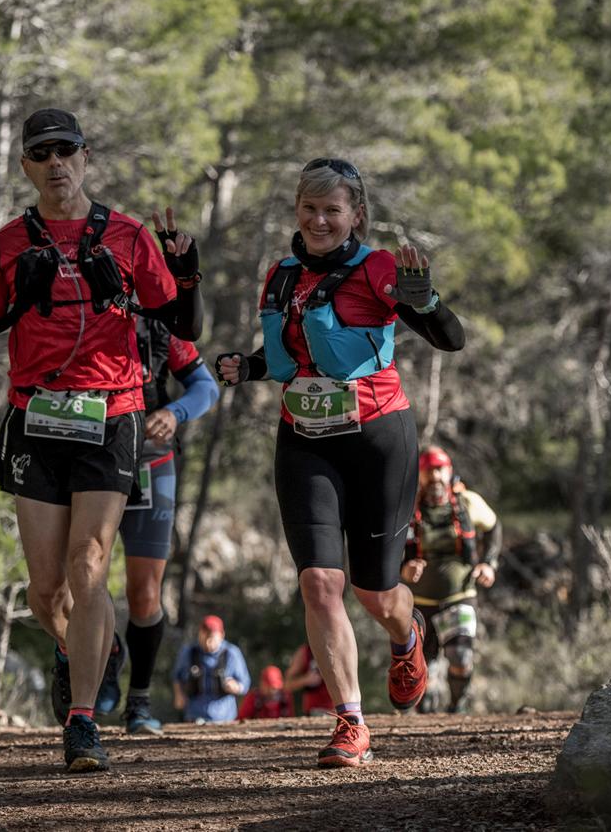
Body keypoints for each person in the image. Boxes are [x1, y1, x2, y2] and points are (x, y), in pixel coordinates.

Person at [0, 107, 203, 773]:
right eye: (40, 154)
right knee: (47, 589)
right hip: (34, 419)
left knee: (89, 565)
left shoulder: (128, 237)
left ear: (85, 156)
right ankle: (96, 649)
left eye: (65, 150)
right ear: (25, 166)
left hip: (112, 414)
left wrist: (187, 273)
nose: (55, 164)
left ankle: (82, 722)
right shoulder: (10, 243)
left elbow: (183, 323)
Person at [214, 157, 465, 768]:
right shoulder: (280, 276)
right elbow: (287, 354)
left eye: (333, 210)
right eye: (309, 209)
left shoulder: (378, 269)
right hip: (304, 438)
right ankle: (350, 721)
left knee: (375, 593)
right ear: (296, 211)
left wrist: (424, 301)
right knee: (319, 584)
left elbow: (448, 337)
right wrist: (245, 367)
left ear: (357, 215)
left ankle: (407, 635)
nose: (320, 221)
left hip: (379, 440)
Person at [103, 317, 220, 734]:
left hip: (150, 459)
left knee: (145, 591)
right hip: (90, 457)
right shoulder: (74, 310)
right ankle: (105, 652)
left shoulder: (158, 326)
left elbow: (207, 387)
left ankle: (138, 700)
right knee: (79, 577)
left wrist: (174, 412)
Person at [402, 445, 502, 714]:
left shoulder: (467, 502)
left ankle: (458, 705)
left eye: (439, 470)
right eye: (428, 471)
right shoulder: (406, 506)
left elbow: (493, 527)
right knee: (423, 667)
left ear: (449, 471)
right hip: (419, 600)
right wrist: (403, 568)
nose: (435, 477)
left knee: (461, 656)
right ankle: (427, 724)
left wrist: (489, 564)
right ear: (419, 475)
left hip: (460, 594)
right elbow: (386, 544)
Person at [171, 615, 251, 723]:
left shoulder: (232, 653)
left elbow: (245, 684)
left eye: (211, 636)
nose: (207, 641)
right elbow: (176, 676)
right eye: (204, 635)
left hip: (225, 718)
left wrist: (236, 687)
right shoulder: (189, 652)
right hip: (193, 717)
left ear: (222, 635)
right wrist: (178, 694)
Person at [282, 642, 334, 717]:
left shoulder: (338, 646)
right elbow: (287, 685)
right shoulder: (306, 651)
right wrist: (306, 679)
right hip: (315, 710)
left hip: (339, 710)